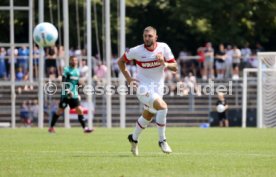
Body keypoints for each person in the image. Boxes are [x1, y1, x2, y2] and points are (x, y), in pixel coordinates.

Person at [117, 26, 178, 156]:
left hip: (158, 88)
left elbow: (175, 67)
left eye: (150, 36)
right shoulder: (136, 51)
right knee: (162, 107)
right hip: (142, 86)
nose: (147, 38)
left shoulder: (164, 48)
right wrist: (129, 79)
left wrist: (164, 63)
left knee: (149, 115)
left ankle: (133, 138)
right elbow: (121, 61)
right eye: (145, 36)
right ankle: (162, 140)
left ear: (156, 37)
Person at [48, 56, 94, 133]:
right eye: (73, 60)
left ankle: (85, 128)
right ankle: (51, 127)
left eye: (75, 60)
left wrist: (79, 87)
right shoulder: (67, 70)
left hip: (74, 94)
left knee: (80, 110)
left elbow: (76, 83)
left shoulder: (77, 71)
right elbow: (63, 80)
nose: (74, 61)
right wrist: (68, 90)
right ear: (70, 61)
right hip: (65, 94)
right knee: (59, 111)